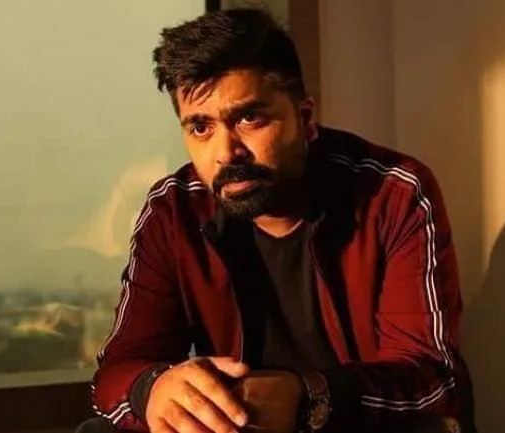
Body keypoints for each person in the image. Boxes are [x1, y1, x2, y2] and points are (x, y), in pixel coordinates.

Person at [87, 7, 475, 433]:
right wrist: (153, 389)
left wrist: (308, 398)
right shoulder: (175, 210)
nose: (225, 152)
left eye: (249, 118)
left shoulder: (393, 193)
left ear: (304, 120)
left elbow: (433, 380)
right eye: (200, 128)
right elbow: (117, 372)